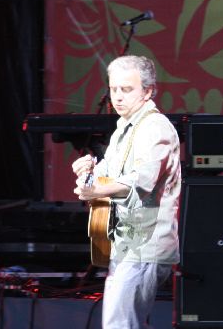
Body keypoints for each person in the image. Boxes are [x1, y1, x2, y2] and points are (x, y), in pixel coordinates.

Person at [71, 55, 181, 329]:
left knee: (119, 324)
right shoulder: (125, 128)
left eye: (127, 89)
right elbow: (107, 171)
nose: (118, 97)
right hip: (128, 243)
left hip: (146, 244)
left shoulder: (155, 128)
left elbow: (141, 181)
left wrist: (96, 189)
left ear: (148, 91)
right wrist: (88, 170)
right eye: (114, 89)